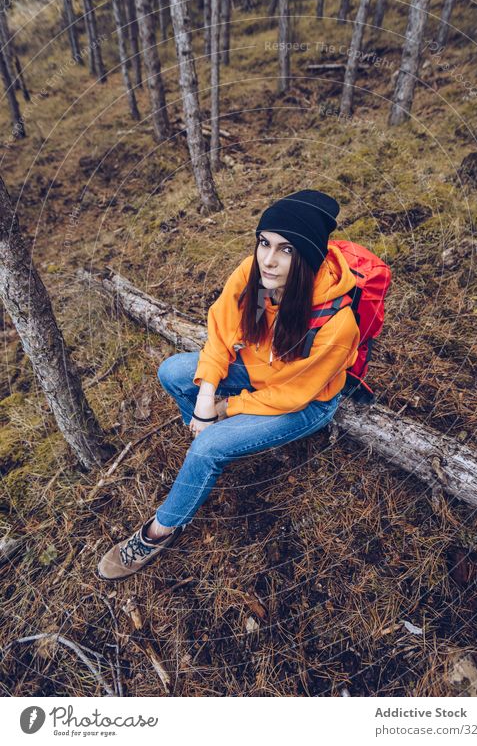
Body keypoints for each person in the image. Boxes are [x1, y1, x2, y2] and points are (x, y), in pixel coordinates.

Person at [97, 190, 360, 581]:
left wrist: (225, 409)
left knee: (207, 446)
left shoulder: (336, 323)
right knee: (173, 371)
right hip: (258, 373)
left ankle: (159, 531)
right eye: (264, 243)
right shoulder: (255, 277)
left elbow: (293, 394)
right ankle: (215, 449)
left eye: (285, 250)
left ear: (306, 257)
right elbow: (222, 333)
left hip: (305, 402)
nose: (268, 259)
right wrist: (205, 398)